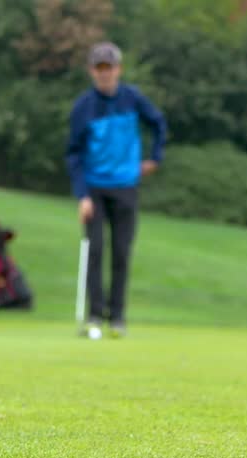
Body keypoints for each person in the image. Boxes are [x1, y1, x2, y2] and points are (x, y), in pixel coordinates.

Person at [66, 41, 168, 339]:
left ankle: (118, 317)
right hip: (95, 188)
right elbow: (73, 154)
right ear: (91, 71)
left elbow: (159, 124)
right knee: (95, 250)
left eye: (108, 68)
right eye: (99, 69)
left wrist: (155, 158)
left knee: (121, 252)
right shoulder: (83, 108)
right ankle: (95, 315)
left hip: (126, 186)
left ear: (118, 69)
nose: (104, 74)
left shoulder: (133, 99)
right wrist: (82, 194)